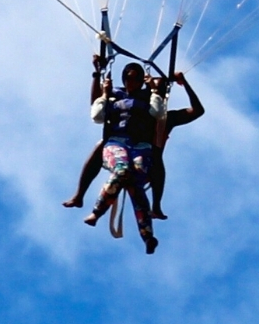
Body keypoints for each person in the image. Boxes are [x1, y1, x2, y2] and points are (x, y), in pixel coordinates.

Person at [62, 59, 163, 253]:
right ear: (124, 79)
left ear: (142, 80)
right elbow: (97, 116)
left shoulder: (149, 95)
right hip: (116, 142)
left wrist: (155, 91)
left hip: (140, 146)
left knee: (137, 180)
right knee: (122, 170)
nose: (131, 82)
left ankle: (148, 237)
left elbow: (158, 113)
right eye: (128, 78)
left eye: (136, 79)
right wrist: (104, 90)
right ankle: (96, 213)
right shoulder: (114, 94)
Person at [146, 71, 203, 220]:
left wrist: (185, 84)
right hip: (129, 155)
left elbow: (198, 111)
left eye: (161, 91)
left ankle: (156, 206)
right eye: (155, 90)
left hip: (150, 162)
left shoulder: (168, 118)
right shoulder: (134, 107)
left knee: (155, 157)